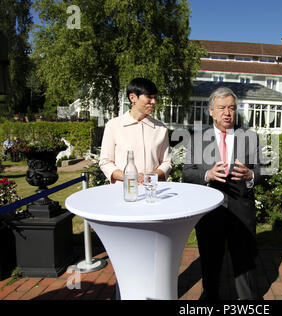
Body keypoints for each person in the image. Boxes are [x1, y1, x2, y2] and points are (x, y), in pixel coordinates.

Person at [182, 87, 262, 300]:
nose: (227, 112)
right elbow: (187, 172)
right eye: (222, 108)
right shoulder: (198, 138)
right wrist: (207, 174)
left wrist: (250, 175)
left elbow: (261, 171)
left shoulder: (250, 137)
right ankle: (210, 298)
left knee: (244, 263)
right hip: (210, 212)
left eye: (231, 108)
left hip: (241, 209)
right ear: (211, 111)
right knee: (210, 262)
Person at [99, 77, 172, 184]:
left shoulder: (161, 129)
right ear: (132, 97)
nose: (154, 102)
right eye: (149, 97)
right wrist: (130, 177)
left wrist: (151, 176)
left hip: (152, 191)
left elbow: (166, 163)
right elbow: (105, 162)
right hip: (122, 191)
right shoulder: (113, 126)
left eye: (154, 97)